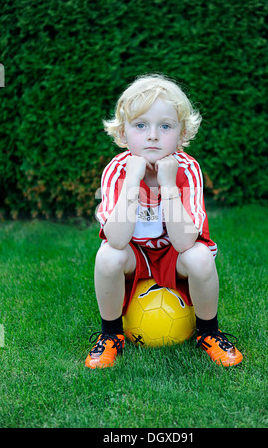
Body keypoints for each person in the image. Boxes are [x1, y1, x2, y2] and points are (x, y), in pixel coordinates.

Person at [85, 74, 243, 369]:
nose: (153, 135)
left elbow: (185, 242)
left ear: (182, 134)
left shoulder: (187, 169)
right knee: (107, 256)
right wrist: (133, 180)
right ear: (122, 134)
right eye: (140, 125)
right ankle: (110, 335)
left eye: (165, 126)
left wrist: (168, 186)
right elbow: (117, 239)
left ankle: (209, 333)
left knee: (199, 258)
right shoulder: (116, 171)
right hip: (136, 256)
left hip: (174, 255)